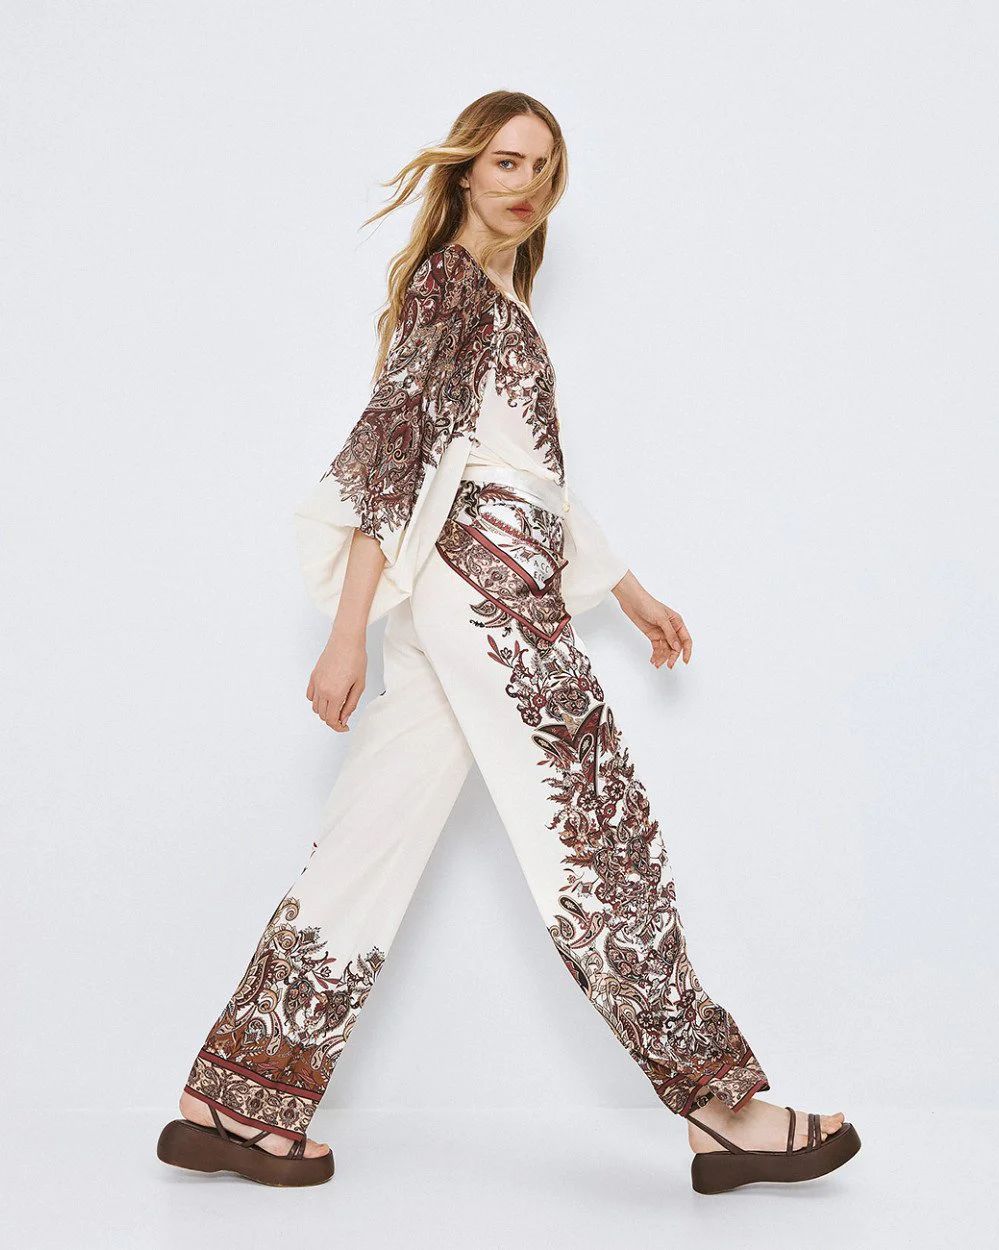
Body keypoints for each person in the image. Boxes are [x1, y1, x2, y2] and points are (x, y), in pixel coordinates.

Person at [156, 90, 860, 1193]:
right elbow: (391, 458)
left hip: (489, 591)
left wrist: (626, 589)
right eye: (505, 162)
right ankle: (724, 1110)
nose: (527, 186)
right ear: (464, 172)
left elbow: (528, 473)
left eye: (544, 168)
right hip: (487, 602)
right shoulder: (451, 288)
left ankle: (235, 1098)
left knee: (369, 838)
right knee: (596, 831)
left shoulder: (496, 300)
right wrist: (345, 634)